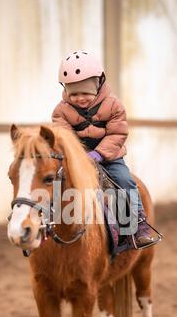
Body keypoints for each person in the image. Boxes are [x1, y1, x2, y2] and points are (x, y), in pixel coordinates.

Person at [52, 49, 158, 248]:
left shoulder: (115, 105)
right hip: (77, 159)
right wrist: (79, 156)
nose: (79, 98)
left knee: (124, 181)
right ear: (65, 91)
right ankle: (47, 226)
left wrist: (99, 154)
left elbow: (117, 134)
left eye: (85, 92)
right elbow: (64, 136)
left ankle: (137, 227)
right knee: (55, 183)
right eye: (73, 93)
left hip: (110, 157)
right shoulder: (60, 111)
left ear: (98, 85)